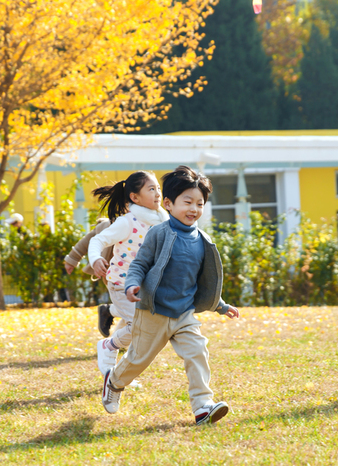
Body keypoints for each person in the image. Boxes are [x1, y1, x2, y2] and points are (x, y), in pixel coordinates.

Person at [100, 165, 240, 426]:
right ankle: (115, 381)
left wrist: (220, 305)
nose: (193, 209)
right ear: (168, 203)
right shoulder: (159, 233)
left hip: (184, 313)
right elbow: (140, 264)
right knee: (138, 360)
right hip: (154, 310)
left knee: (197, 352)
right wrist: (132, 285)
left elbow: (202, 282)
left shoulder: (203, 240)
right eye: (187, 202)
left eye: (199, 204)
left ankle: (202, 406)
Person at [87, 171, 169, 376]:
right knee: (141, 327)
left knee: (141, 329)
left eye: (158, 188)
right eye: (151, 189)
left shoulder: (163, 222)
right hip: (121, 284)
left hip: (146, 288)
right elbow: (97, 240)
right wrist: (96, 259)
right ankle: (108, 346)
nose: (158, 193)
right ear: (135, 197)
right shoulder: (128, 222)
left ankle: (119, 372)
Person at [64, 217, 118, 337]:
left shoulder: (146, 221)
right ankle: (108, 312)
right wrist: (72, 259)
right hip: (112, 274)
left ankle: (120, 341)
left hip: (136, 273)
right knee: (130, 307)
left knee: (132, 308)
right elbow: (87, 242)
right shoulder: (106, 226)